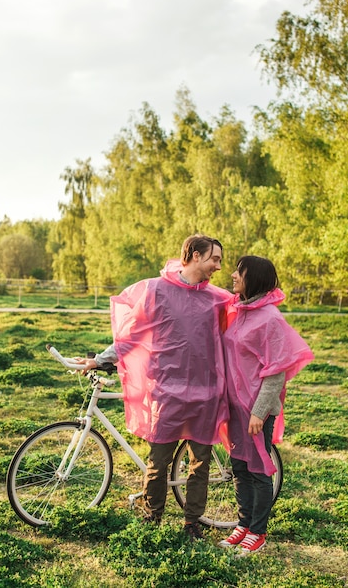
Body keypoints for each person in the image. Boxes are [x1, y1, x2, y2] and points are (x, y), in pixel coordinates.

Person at [78, 234, 232, 541]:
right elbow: (132, 335)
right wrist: (100, 360)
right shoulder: (156, 291)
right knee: (158, 461)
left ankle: (192, 523)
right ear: (195, 255)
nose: (218, 266)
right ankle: (152, 518)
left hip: (206, 392)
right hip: (167, 391)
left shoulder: (218, 299)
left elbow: (240, 337)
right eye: (214, 258)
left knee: (200, 464)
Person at [218, 256, 314, 556]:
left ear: (254, 278)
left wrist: (260, 412)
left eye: (239, 272)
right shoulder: (241, 310)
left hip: (256, 410)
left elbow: (276, 371)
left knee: (258, 471)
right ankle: (244, 523)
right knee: (239, 467)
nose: (233, 275)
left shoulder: (270, 319)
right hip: (236, 407)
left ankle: (258, 531)